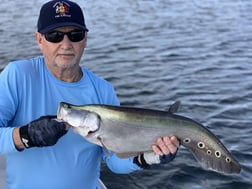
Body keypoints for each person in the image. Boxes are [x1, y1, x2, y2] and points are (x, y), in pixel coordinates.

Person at [0, 0, 180, 189]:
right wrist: (26, 136)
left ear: (85, 39)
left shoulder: (103, 89)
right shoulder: (18, 75)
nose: (66, 44)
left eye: (75, 35)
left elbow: (113, 160)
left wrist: (148, 157)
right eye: (55, 36)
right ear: (39, 39)